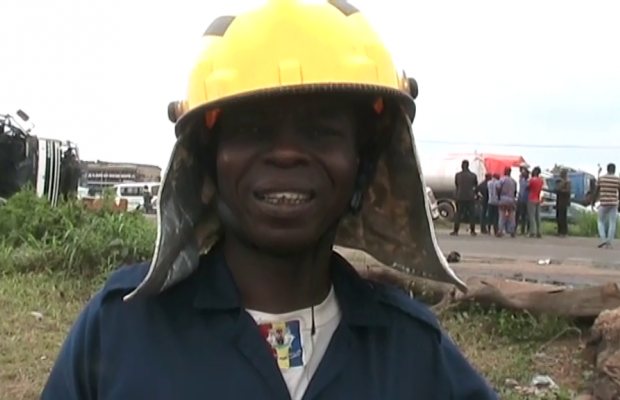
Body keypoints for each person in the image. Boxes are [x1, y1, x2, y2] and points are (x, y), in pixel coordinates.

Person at [41, 2, 496, 399]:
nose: (286, 153)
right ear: (207, 159)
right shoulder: (121, 330)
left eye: (321, 130)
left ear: (363, 160)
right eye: (253, 129)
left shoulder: (414, 352)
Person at [595, 163, 620, 248]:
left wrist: (593, 201)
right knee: (612, 222)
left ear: (607, 169)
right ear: (614, 170)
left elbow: (597, 190)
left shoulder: (601, 178)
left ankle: (603, 239)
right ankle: (609, 242)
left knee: (600, 221)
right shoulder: (617, 179)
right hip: (613, 203)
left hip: (603, 202)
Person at [451, 159, 478, 236]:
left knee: (458, 214)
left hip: (460, 197)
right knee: (471, 215)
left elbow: (457, 184)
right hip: (470, 197)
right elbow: (475, 185)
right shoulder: (473, 175)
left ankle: (455, 231)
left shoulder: (458, 175)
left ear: (462, 166)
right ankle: (472, 231)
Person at [497, 167, 517, 237]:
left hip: (503, 199)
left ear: (504, 171)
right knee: (511, 216)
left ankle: (500, 230)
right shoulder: (513, 181)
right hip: (511, 200)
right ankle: (512, 230)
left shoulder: (502, 179)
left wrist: (498, 196)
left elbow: (498, 188)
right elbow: (515, 192)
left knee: (501, 215)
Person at [527, 166, 544, 238]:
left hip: (531, 199)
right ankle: (539, 231)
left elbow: (528, 187)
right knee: (538, 216)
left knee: (532, 216)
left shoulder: (532, 180)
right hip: (538, 198)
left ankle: (532, 232)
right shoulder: (541, 181)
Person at [555, 169, 571, 237]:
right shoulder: (560, 181)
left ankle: (564, 232)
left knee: (563, 217)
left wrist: (560, 189)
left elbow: (567, 191)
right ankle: (559, 231)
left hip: (564, 201)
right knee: (558, 216)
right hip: (559, 201)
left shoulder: (567, 182)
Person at [516, 168, 530, 235]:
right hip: (524, 199)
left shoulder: (524, 181)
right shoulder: (525, 181)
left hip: (523, 199)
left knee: (522, 215)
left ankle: (523, 229)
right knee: (523, 216)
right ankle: (523, 230)